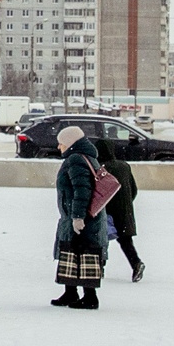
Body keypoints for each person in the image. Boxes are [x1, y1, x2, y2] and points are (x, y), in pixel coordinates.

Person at [52, 126, 110, 310]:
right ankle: (70, 292)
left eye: (61, 143)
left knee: (83, 253)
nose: (59, 147)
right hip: (78, 215)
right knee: (72, 251)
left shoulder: (76, 159)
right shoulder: (86, 157)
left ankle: (90, 297)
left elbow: (82, 190)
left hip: (81, 217)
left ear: (70, 143)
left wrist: (78, 216)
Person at [101, 142, 144, 283]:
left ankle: (99, 267)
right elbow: (134, 189)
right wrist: (126, 202)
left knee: (100, 240)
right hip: (125, 210)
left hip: (107, 210)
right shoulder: (124, 166)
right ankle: (136, 263)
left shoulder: (101, 168)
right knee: (125, 240)